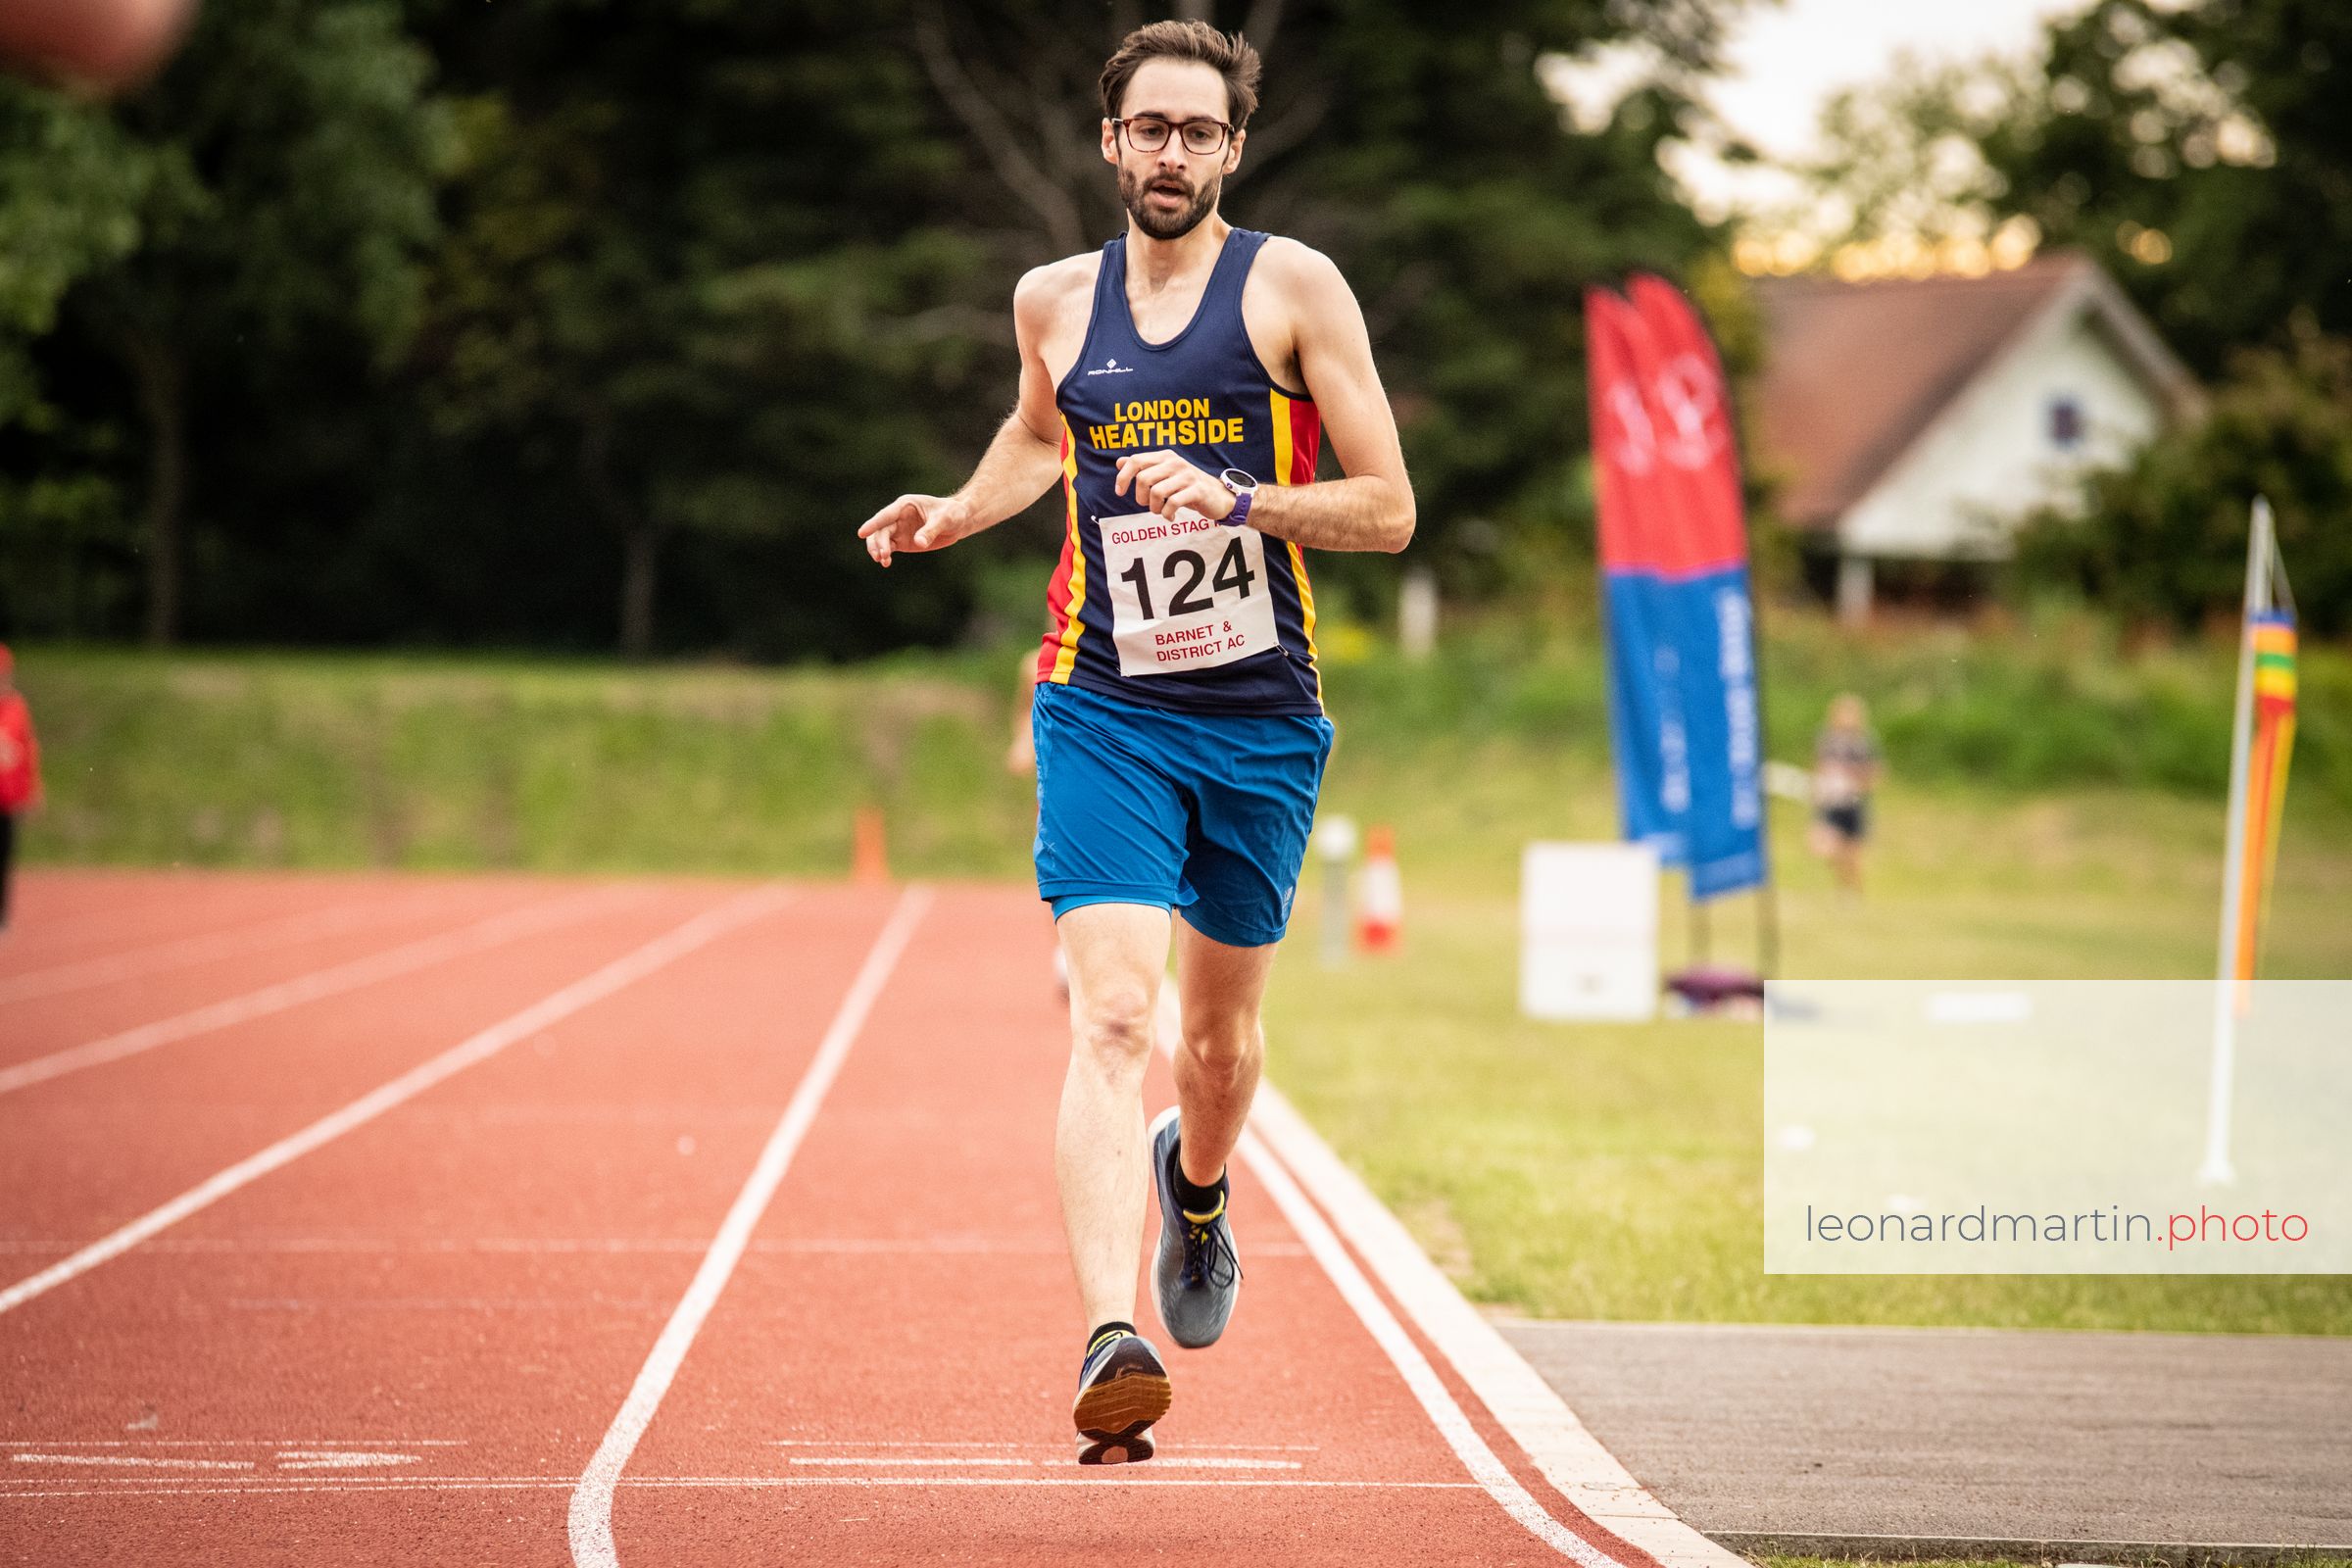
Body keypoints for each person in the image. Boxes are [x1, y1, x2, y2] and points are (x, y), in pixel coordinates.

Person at [857, 19, 1413, 1466]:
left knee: (1216, 1046)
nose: (1172, 153)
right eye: (1149, 129)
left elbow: (1390, 507)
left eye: (1198, 132)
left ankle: (1200, 1189)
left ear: (1235, 148)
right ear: (1110, 141)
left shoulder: (1293, 288)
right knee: (1112, 1015)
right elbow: (1041, 437)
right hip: (1103, 700)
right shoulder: (1052, 299)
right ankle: (1111, 1338)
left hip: (1260, 719)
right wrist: (957, 510)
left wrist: (1241, 500)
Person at [1811, 692, 1880, 896]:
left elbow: (1875, 772)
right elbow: (1819, 765)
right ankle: (1842, 887)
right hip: (1832, 802)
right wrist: (1821, 788)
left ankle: (1854, 891)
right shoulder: (1827, 740)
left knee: (1853, 850)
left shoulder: (1863, 742)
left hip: (1854, 802)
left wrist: (1855, 782)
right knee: (1832, 847)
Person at [0, 645, 45, 931]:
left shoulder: (16, 708)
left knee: (4, 856)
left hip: (6, 798)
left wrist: (32, 789)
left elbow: (27, 749)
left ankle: (2, 914)